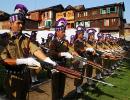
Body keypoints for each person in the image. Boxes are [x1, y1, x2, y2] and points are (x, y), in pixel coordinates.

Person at [0, 5, 56, 100]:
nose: (21, 26)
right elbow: (4, 60)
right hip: (13, 78)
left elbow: (36, 50)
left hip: (25, 76)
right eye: (18, 23)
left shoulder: (26, 39)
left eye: (22, 23)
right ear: (11, 23)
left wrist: (48, 60)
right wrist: (25, 61)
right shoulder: (4, 39)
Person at [48, 18, 74, 100]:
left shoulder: (65, 41)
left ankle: (60, 97)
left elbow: (70, 50)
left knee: (62, 83)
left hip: (63, 64)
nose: (64, 33)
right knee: (56, 85)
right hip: (56, 65)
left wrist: (76, 55)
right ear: (57, 32)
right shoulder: (53, 42)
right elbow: (51, 53)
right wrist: (62, 54)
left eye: (64, 31)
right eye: (62, 31)